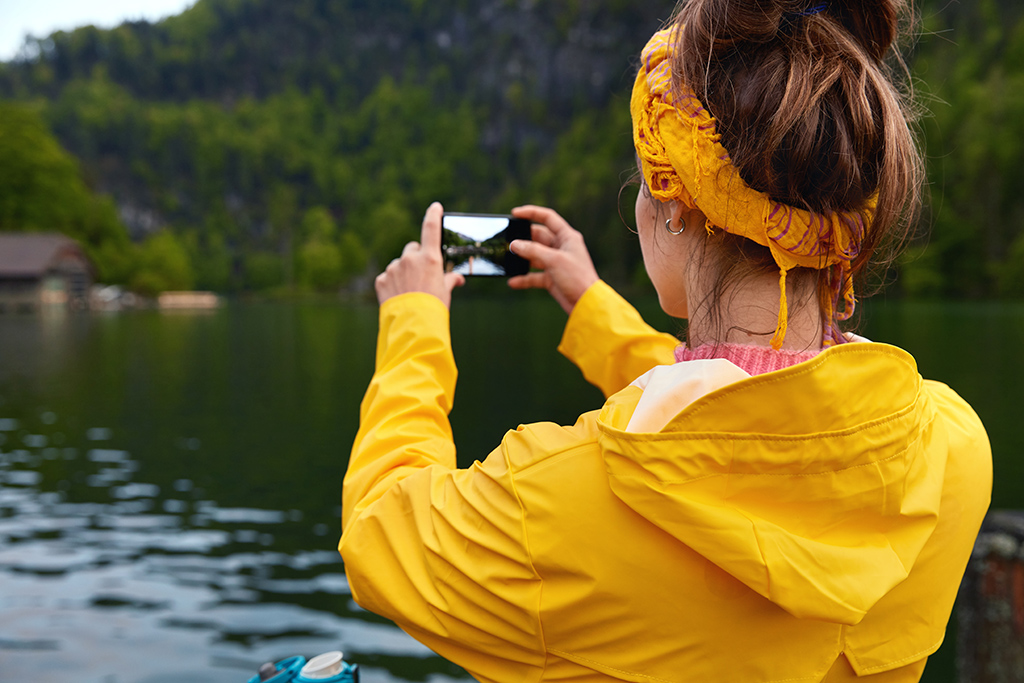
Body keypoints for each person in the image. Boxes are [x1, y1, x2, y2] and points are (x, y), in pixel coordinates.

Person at [339, 0, 992, 680]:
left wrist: (414, 321)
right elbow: (758, 427)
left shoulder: (554, 510)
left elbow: (377, 528)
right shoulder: (953, 450)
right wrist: (593, 308)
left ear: (676, 205)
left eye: (646, 183)